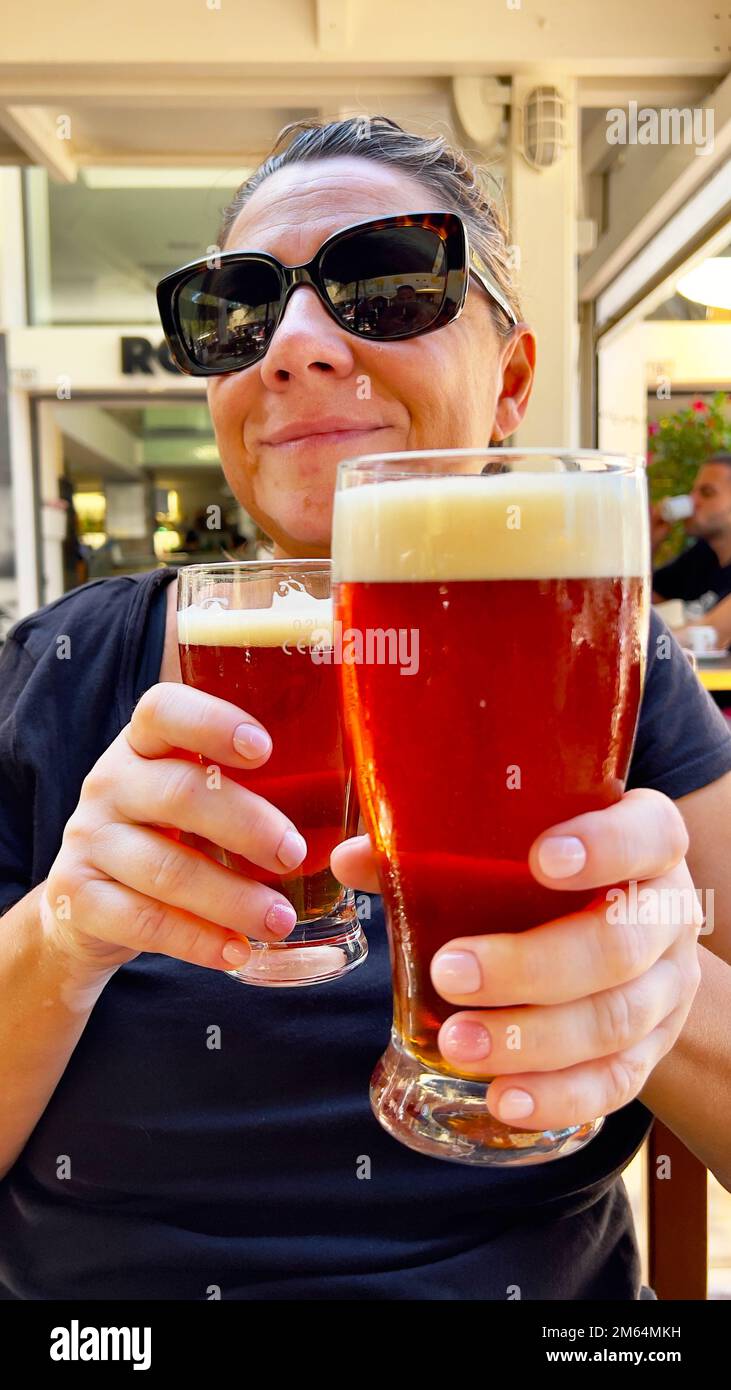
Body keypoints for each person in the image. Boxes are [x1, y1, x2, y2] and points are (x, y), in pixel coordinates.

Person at [1, 115, 730, 1302]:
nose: (292, 344)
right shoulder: (62, 663)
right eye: (238, 307)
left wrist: (657, 991)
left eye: (386, 280)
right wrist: (64, 935)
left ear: (511, 380)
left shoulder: (601, 655)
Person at [652, 452, 731, 612]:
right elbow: (645, 602)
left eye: (707, 492)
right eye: (693, 491)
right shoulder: (702, 555)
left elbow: (715, 632)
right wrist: (651, 542)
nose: (692, 500)